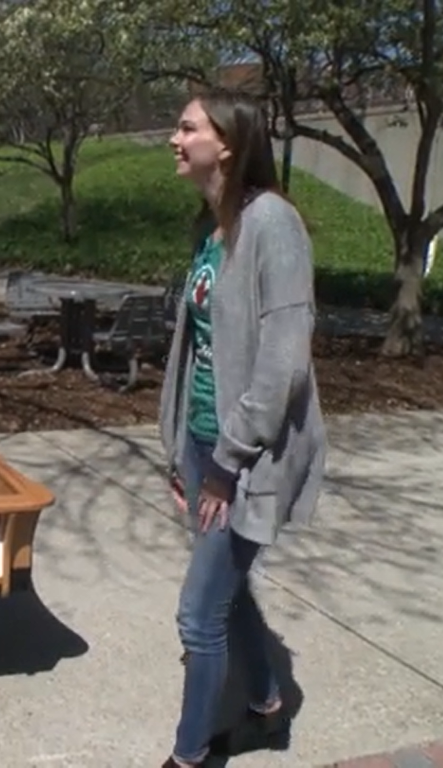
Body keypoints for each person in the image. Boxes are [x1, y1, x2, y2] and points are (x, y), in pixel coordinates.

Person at [157, 89, 327, 768]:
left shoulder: (273, 224)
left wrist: (228, 463)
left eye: (186, 127)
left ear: (226, 142)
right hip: (204, 447)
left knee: (199, 613)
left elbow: (283, 363)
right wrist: (182, 451)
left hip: (248, 458)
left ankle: (190, 755)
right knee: (228, 593)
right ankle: (265, 704)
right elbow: (197, 348)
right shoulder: (210, 228)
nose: (175, 138)